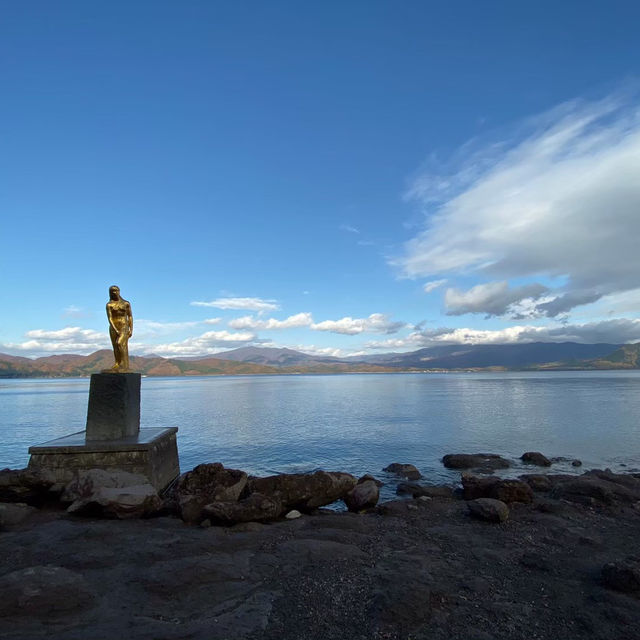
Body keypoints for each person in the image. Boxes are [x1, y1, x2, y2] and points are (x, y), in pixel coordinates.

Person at [106, 285, 133, 371]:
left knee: (120, 343)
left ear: (119, 291)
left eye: (116, 290)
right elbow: (110, 318)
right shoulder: (109, 305)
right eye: (112, 291)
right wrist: (115, 329)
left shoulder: (126, 303)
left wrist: (131, 329)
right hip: (114, 327)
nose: (114, 292)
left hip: (124, 326)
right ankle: (117, 363)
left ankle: (123, 364)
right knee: (115, 346)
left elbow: (130, 316)